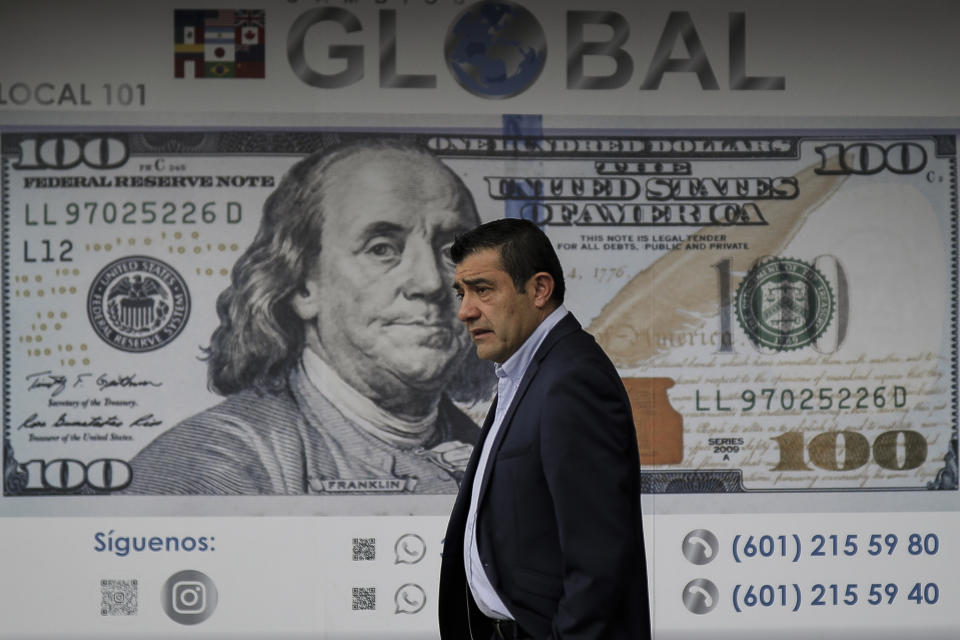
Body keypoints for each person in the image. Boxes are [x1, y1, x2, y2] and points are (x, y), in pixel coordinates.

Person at [125, 138, 493, 495]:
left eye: (452, 251)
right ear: (302, 284)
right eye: (382, 249)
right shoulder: (209, 467)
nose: (430, 282)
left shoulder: (497, 454)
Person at [439, 218, 650, 639]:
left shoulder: (571, 380)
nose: (465, 311)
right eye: (462, 293)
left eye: (483, 290)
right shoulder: (530, 370)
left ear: (539, 289)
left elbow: (597, 565)